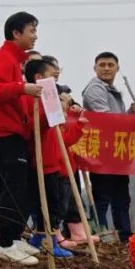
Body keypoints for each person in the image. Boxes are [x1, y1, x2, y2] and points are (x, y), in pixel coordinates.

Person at [0, 12, 44, 266]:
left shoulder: (14, 61)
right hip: (3, 132)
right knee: (13, 186)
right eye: (31, 31)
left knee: (20, 185)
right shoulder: (3, 59)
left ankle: (15, 237)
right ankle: (6, 243)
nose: (35, 36)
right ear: (16, 33)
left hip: (12, 130)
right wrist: (23, 88)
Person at [23, 57, 85, 256]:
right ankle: (45, 240)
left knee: (55, 204)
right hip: (42, 161)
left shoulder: (50, 99)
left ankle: (45, 238)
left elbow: (62, 138)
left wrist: (76, 124)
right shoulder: (31, 99)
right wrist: (48, 115)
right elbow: (33, 126)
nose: (55, 76)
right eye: (51, 73)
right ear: (38, 77)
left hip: (54, 162)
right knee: (46, 204)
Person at [81, 52, 135, 242]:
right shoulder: (95, 89)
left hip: (116, 151)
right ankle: (99, 234)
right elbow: (107, 120)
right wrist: (130, 119)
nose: (106, 68)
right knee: (102, 195)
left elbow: (117, 119)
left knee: (121, 195)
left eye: (110, 65)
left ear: (117, 68)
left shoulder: (112, 90)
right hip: (102, 151)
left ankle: (124, 234)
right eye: (102, 65)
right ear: (95, 68)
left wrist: (129, 113)